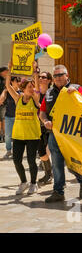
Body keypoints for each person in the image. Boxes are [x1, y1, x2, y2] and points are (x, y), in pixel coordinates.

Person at [40, 65, 82, 203]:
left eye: (61, 75)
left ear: (67, 76)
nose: (58, 78)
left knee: (74, 162)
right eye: (55, 76)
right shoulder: (49, 92)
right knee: (56, 163)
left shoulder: (77, 89)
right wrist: (45, 121)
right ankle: (58, 191)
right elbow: (42, 111)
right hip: (54, 134)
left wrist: (77, 95)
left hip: (73, 135)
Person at [5, 62, 41, 195]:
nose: (32, 89)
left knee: (31, 160)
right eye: (29, 87)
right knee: (16, 160)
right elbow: (8, 85)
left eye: (32, 87)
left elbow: (37, 88)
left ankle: (33, 183)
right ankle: (24, 182)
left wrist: (34, 72)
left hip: (32, 135)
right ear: (24, 88)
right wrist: (10, 70)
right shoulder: (18, 98)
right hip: (19, 135)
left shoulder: (35, 99)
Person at [37, 71, 53, 185]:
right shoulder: (35, 93)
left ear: (49, 80)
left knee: (48, 151)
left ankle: (53, 175)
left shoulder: (51, 93)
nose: (41, 78)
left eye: (43, 77)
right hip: (38, 126)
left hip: (50, 126)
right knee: (42, 152)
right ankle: (48, 174)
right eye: (39, 77)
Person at [0, 74, 20, 159]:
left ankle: (16, 151)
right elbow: (1, 100)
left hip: (19, 118)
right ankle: (9, 151)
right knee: (8, 135)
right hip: (8, 116)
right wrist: (4, 91)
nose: (18, 83)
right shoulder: (7, 92)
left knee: (17, 136)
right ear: (11, 82)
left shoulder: (21, 92)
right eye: (16, 81)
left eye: (19, 81)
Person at [0, 66, 7, 143]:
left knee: (3, 119)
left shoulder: (5, 80)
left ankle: (4, 136)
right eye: (6, 71)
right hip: (2, 101)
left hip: (3, 102)